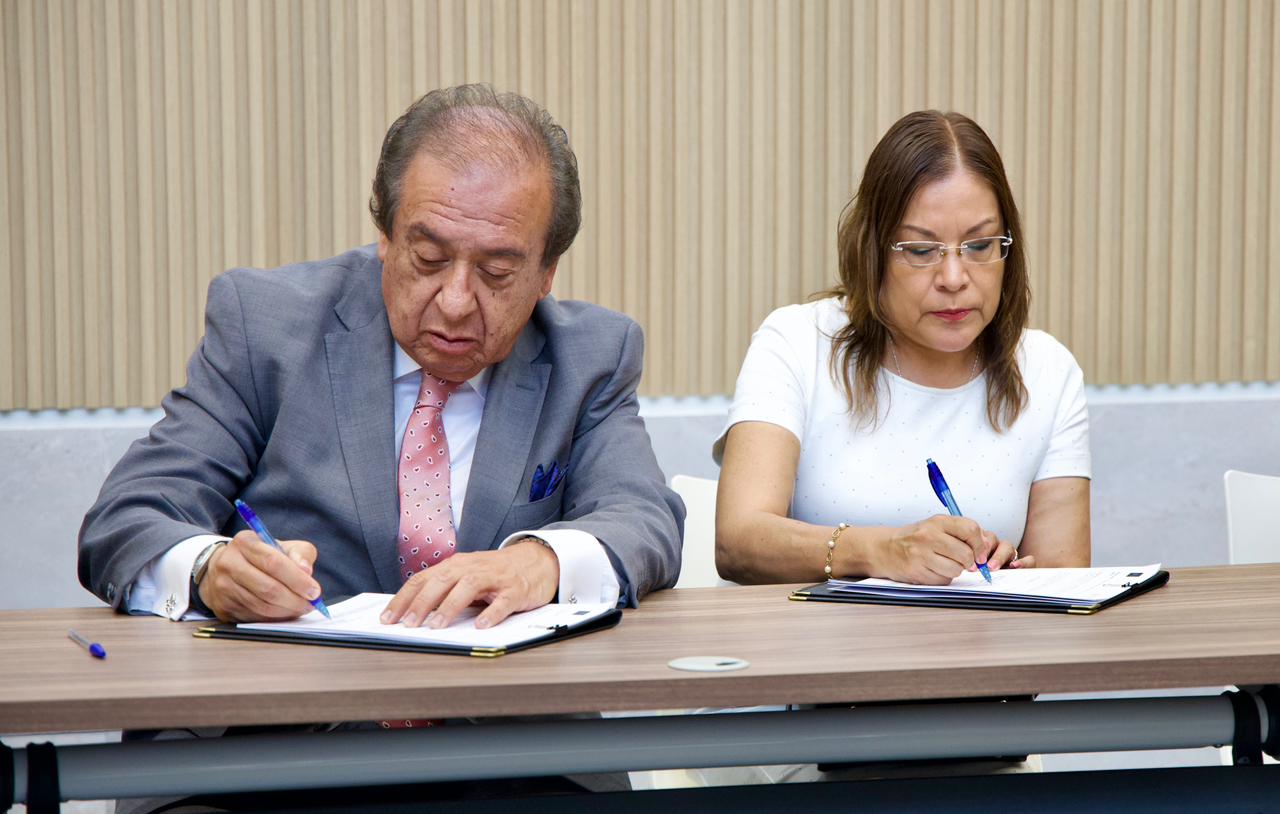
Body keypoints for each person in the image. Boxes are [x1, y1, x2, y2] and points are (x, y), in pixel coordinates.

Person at [77, 85, 683, 806]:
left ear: (546, 273)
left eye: (497, 273)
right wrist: (209, 570)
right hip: (269, 749)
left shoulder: (591, 356)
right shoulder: (265, 326)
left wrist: (540, 560)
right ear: (386, 238)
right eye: (427, 258)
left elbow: (644, 517)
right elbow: (130, 516)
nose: (456, 301)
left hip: (509, 753)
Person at [716, 108, 1089, 588]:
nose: (953, 278)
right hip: (820, 635)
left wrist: (1016, 571)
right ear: (872, 251)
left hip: (980, 635)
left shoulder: (1047, 369)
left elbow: (1065, 575)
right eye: (920, 251)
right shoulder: (798, 341)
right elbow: (738, 541)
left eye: (980, 247)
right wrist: (882, 551)